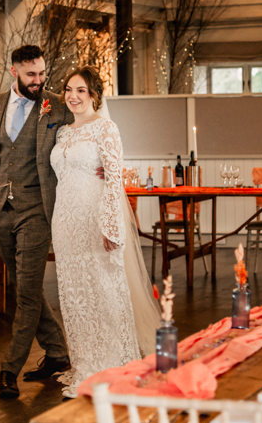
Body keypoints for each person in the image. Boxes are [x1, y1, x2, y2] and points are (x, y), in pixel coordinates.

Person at [50, 66, 162, 399]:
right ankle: (84, 361)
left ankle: (112, 362)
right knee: (74, 296)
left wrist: (111, 224)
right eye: (69, 89)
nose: (73, 96)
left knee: (104, 291)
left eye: (81, 90)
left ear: (94, 95)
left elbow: (114, 180)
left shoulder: (106, 129)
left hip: (95, 220)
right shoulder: (62, 133)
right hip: (65, 223)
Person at [0, 44, 71, 400]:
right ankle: (58, 354)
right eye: (32, 74)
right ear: (13, 69)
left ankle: (8, 369)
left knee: (25, 295)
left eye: (42, 73)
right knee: (26, 287)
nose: (39, 80)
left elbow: (77, 141)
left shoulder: (57, 106)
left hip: (36, 209)